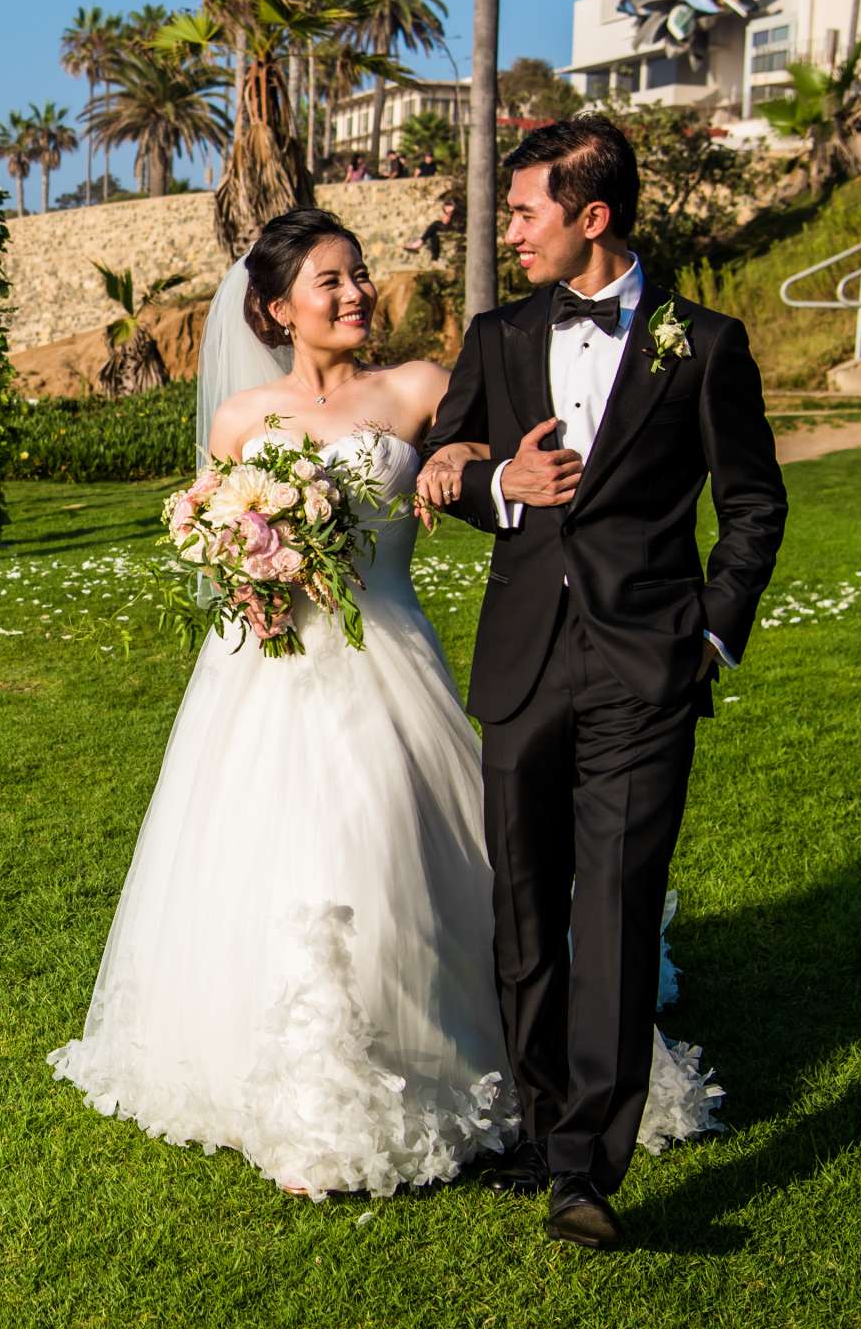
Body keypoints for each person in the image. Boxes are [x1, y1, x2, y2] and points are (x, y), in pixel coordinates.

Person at [49, 206, 723, 1207]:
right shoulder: (242, 421)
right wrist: (245, 567)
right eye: (331, 280)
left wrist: (471, 467)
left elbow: (489, 468)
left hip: (387, 657)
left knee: (395, 836)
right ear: (279, 309)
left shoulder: (417, 387)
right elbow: (219, 526)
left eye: (359, 274)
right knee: (265, 855)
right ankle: (299, 1085)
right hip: (268, 671)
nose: (358, 291)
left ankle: (472, 1058)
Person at [418, 118, 785, 1249]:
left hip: (645, 664)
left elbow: (755, 505)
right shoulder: (499, 332)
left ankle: (588, 1164)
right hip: (523, 658)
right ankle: (539, 1121)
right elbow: (444, 459)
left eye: (525, 212)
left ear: (592, 218)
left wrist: (709, 636)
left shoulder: (703, 344)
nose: (509, 231)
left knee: (617, 909)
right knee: (525, 915)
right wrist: (500, 485)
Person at [402, 195, 462, 267]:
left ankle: (419, 244)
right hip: (451, 226)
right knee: (433, 234)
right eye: (446, 205)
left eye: (447, 205)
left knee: (435, 224)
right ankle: (434, 258)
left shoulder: (455, 210)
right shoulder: (451, 210)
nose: (445, 207)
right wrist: (447, 214)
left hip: (456, 227)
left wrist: (448, 214)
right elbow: (445, 221)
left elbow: (446, 222)